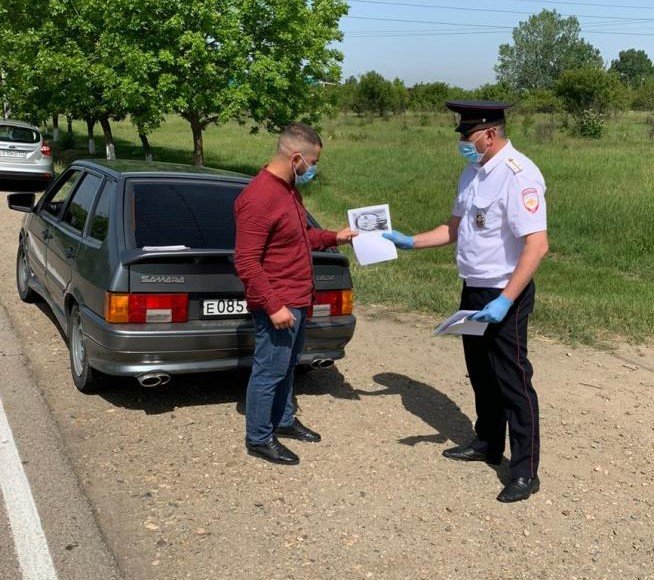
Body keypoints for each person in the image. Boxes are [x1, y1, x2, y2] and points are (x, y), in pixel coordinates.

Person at [383, 100, 549, 502]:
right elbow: (453, 228)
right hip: (474, 289)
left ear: (490, 134)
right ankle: (487, 442)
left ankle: (524, 470)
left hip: (503, 293)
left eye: (468, 136)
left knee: (513, 380)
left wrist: (507, 300)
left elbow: (537, 244)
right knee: (480, 372)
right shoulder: (472, 172)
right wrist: (410, 242)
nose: (463, 143)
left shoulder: (519, 174)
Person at [234, 122, 357, 465]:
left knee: (288, 365)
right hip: (279, 301)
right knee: (269, 369)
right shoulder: (258, 197)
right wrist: (273, 306)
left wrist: (336, 236)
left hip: (300, 298)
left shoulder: (288, 190)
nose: (313, 169)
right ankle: (259, 437)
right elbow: (246, 261)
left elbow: (302, 237)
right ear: (297, 157)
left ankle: (284, 421)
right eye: (313, 162)